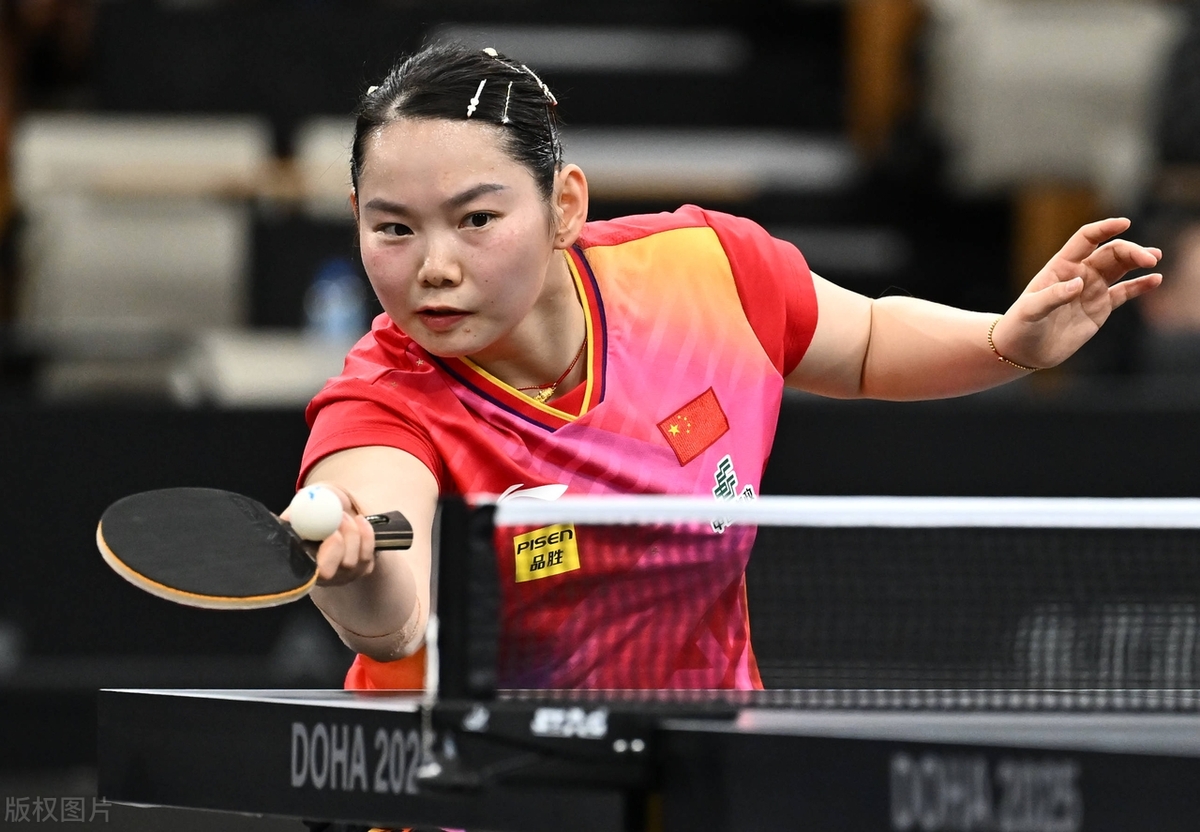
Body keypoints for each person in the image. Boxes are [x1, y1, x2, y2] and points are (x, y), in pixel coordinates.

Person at [288, 42, 1162, 694]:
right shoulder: (382, 403)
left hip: (702, 780)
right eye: (393, 228)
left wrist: (1008, 341)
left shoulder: (705, 273)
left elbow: (865, 342)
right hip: (475, 803)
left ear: (564, 207)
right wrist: (359, 573)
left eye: (476, 219)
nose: (434, 267)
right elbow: (396, 618)